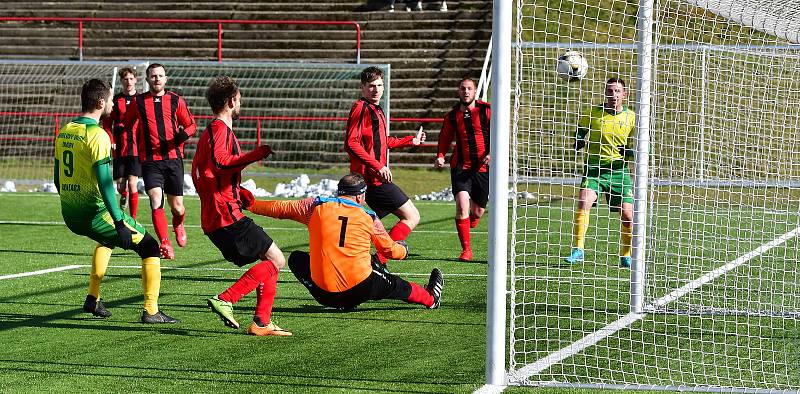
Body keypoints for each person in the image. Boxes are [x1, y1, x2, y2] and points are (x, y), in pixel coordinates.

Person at [54, 78, 178, 324]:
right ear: (101, 103)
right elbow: (106, 184)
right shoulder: (98, 135)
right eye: (110, 99)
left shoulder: (65, 130)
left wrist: (72, 201)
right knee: (150, 246)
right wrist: (119, 222)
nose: (112, 104)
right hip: (94, 213)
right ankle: (151, 311)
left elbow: (57, 179)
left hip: (69, 214)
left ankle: (93, 298)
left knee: (106, 240)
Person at [239, 173, 443, 311]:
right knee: (399, 286)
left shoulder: (315, 206)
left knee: (296, 259)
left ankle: (336, 297)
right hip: (360, 288)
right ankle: (431, 299)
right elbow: (389, 250)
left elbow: (279, 208)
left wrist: (251, 204)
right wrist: (403, 252)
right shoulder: (369, 216)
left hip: (324, 295)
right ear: (360, 196)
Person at [193, 76, 291, 337]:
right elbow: (222, 164)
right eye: (239, 98)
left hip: (221, 212)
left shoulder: (215, 132)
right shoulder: (218, 130)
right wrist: (254, 155)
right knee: (277, 259)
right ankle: (226, 298)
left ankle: (261, 322)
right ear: (231, 101)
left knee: (269, 259)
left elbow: (204, 173)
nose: (241, 102)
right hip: (225, 215)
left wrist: (239, 192)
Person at [345, 66, 426, 264]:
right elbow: (351, 142)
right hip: (370, 179)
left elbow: (382, 141)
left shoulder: (376, 110)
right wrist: (377, 166)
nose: (376, 89)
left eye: (380, 85)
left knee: (369, 227)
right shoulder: (361, 108)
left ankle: (373, 262)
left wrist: (410, 141)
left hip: (375, 178)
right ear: (363, 87)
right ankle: (379, 261)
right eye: (371, 86)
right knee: (411, 216)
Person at [122, 63, 196, 260]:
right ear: (147, 80)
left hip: (173, 160)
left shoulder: (175, 100)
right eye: (153, 76)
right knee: (156, 199)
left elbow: (191, 125)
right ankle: (165, 243)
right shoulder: (138, 102)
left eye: (160, 76)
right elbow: (126, 123)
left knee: (177, 207)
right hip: (150, 161)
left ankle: (178, 223)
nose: (157, 79)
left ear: (165, 79)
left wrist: (182, 136)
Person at [564, 77, 636, 268]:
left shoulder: (632, 117)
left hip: (619, 171)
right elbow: (580, 129)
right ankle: (578, 249)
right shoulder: (594, 113)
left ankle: (626, 254)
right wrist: (579, 139)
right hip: (594, 170)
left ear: (624, 94)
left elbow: (646, 147)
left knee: (628, 215)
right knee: (583, 201)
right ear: (605, 93)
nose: (614, 95)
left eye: (618, 91)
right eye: (610, 91)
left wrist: (629, 152)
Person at [434, 77, 491, 262]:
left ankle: (472, 219)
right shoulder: (452, 116)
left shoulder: (487, 110)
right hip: (461, 167)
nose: (466, 92)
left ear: (475, 92)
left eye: (469, 89)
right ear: (458, 92)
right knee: (462, 204)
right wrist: (441, 155)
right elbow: (444, 137)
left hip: (483, 167)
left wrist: (492, 153)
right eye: (462, 88)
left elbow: (499, 132)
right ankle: (466, 250)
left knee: (478, 211)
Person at [103, 67, 140, 218]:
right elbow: (107, 124)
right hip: (119, 147)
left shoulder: (141, 100)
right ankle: (123, 195)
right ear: (121, 81)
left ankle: (134, 219)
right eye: (126, 79)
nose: (129, 82)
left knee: (133, 184)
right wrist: (111, 139)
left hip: (136, 148)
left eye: (131, 79)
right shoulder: (116, 101)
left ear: (136, 80)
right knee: (121, 186)